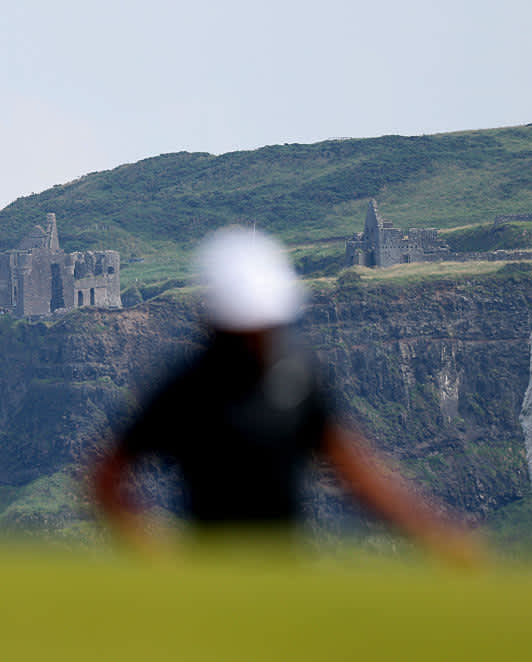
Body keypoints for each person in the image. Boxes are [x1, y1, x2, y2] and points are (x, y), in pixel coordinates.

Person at [91, 227, 481, 565]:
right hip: (209, 568)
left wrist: (435, 534)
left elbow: (354, 473)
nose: (258, 338)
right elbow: (109, 475)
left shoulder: (294, 376)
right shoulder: (187, 388)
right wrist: (154, 551)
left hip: (281, 567)